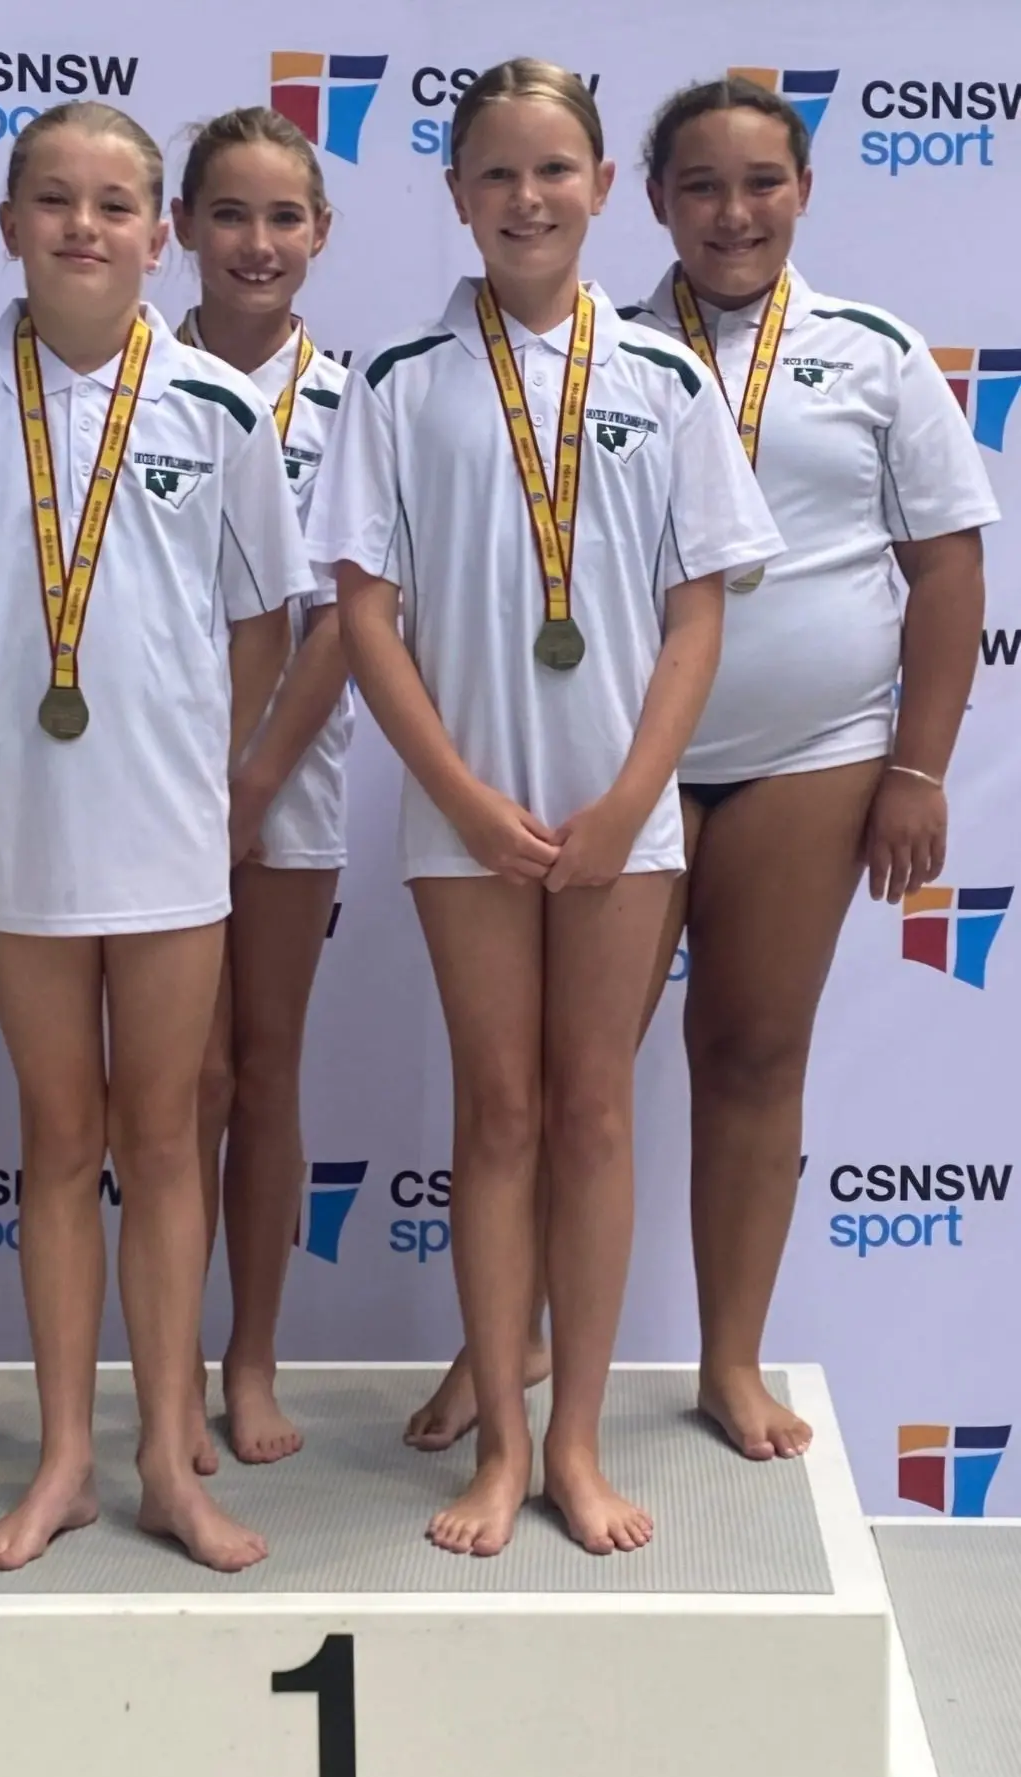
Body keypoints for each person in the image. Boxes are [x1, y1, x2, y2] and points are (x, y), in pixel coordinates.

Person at [413, 73, 998, 1463]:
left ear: (801, 193)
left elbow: (946, 571)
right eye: (700, 187)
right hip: (609, 759)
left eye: (760, 184)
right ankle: (510, 1344)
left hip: (805, 758)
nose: (732, 214)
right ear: (650, 199)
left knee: (748, 1050)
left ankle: (727, 1360)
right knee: (560, 1079)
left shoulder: (872, 351)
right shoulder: (589, 349)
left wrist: (916, 772)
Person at [307, 58, 781, 1556]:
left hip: (619, 816)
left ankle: (577, 1443)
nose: (526, 199)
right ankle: (502, 1449)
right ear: (455, 198)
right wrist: (454, 786)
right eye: (496, 175)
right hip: (467, 815)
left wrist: (633, 792)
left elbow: (697, 612)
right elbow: (365, 615)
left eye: (553, 170)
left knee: (588, 1113)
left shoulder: (665, 378)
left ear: (597, 191)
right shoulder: (395, 383)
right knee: (497, 1111)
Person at [0, 101, 315, 1571]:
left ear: (161, 233)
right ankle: (64, 1456)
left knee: (163, 1137)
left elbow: (265, 621)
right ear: (8, 223)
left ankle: (164, 1463)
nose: (85, 225)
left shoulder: (216, 408)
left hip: (170, 837)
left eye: (117, 202)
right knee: (58, 1142)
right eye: (54, 199)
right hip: (26, 838)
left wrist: (202, 760)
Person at [170, 108, 352, 1470]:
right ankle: (166, 1362)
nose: (256, 242)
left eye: (282, 217)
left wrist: (257, 776)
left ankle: (250, 1359)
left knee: (271, 1068)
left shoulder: (354, 404)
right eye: (228, 214)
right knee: (185, 1084)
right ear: (181, 229)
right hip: (138, 779)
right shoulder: (121, 386)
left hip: (285, 779)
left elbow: (351, 613)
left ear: (320, 237)